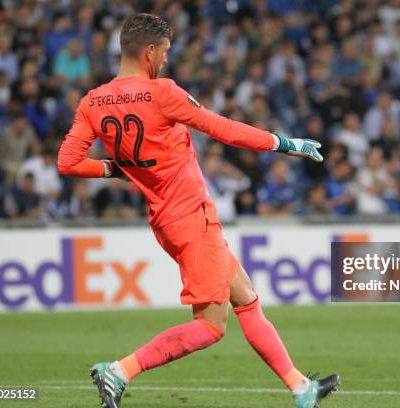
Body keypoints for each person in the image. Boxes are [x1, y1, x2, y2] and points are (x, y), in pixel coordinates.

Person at [56, 13, 338, 408]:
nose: (167, 60)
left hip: (165, 218)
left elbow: (68, 162)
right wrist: (284, 144)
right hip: (191, 217)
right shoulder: (162, 92)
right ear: (150, 51)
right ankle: (119, 371)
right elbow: (222, 128)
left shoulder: (92, 101)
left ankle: (299, 388)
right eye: (166, 52)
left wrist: (113, 169)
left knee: (245, 296)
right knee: (209, 327)